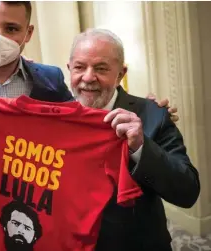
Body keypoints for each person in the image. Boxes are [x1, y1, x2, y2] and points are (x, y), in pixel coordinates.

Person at [0, 1, 179, 250]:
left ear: (28, 33)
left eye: (12, 28)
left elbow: (83, 117)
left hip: (34, 217)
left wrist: (146, 110)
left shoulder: (49, 78)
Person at [67, 28, 200, 250]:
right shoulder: (56, 116)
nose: (88, 77)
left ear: (120, 74)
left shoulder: (154, 114)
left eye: (101, 68)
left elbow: (188, 191)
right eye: (80, 67)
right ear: (69, 69)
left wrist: (141, 147)